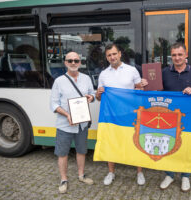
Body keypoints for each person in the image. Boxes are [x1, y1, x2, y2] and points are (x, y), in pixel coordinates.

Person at [143, 42, 191, 192]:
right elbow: (155, 91)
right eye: (174, 55)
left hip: (189, 117)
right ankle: (170, 174)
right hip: (169, 118)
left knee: (186, 146)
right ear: (171, 56)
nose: (177, 58)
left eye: (180, 54)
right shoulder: (164, 72)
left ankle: (185, 176)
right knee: (169, 145)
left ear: (186, 55)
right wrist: (144, 85)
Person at [95, 43, 146, 186]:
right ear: (106, 57)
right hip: (111, 115)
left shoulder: (132, 70)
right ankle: (111, 172)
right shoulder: (103, 74)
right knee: (111, 143)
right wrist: (98, 94)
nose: (112, 57)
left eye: (114, 54)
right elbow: (99, 97)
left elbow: (139, 91)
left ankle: (140, 172)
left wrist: (143, 85)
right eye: (109, 55)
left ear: (120, 54)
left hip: (130, 114)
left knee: (136, 142)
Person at [50, 52, 95, 194]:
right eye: (70, 60)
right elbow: (53, 104)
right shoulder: (59, 81)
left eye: (76, 60)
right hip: (65, 125)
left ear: (80, 62)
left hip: (82, 123)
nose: (73, 63)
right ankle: (64, 179)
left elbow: (92, 94)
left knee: (81, 151)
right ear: (65, 63)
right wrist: (67, 115)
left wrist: (91, 97)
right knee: (62, 153)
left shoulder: (86, 78)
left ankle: (81, 175)